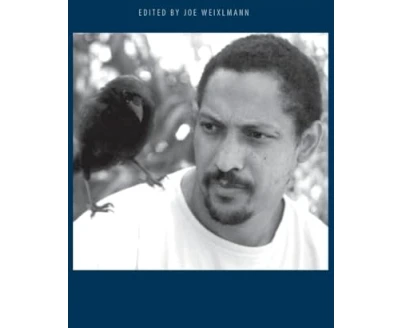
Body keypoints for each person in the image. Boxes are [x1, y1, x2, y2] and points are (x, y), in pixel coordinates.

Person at [73, 34, 328, 270]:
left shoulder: (323, 257)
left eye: (256, 135)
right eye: (211, 127)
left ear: (306, 143)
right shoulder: (105, 241)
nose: (225, 161)